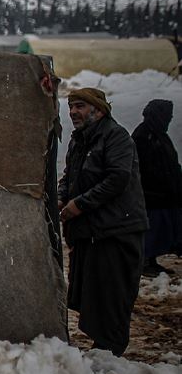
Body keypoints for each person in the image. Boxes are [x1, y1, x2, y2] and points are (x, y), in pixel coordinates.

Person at [58, 87, 147, 356]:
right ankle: (103, 349)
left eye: (80, 106)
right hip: (92, 232)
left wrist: (79, 205)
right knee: (93, 293)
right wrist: (61, 196)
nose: (74, 112)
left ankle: (111, 353)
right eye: (72, 106)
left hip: (116, 230)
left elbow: (117, 179)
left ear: (99, 109)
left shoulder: (115, 137)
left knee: (111, 295)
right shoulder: (80, 140)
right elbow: (69, 176)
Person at [133, 98, 182, 277]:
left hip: (163, 195)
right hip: (151, 196)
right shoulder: (143, 136)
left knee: (162, 230)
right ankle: (146, 261)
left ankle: (151, 260)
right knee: (152, 231)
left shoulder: (159, 134)